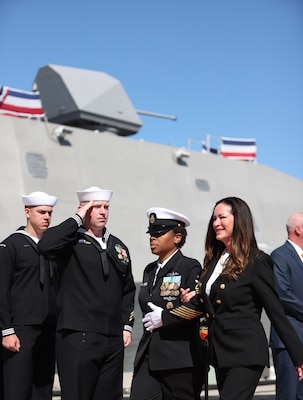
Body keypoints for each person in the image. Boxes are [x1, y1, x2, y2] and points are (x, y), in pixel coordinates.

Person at [144, 197, 303, 400]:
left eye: (222, 217)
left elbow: (276, 312)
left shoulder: (257, 261)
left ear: (239, 220)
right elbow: (210, 302)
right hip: (220, 353)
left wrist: (298, 357)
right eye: (214, 218)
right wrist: (195, 298)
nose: (216, 223)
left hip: (245, 353)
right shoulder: (214, 262)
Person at [37, 186, 136, 400]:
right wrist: (76, 219)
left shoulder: (118, 246)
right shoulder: (69, 242)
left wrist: (126, 325)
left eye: (106, 207)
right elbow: (45, 245)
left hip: (112, 338)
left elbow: (128, 289)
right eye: (96, 207)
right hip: (78, 335)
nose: (102, 212)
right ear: (84, 209)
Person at [130, 207, 205, 400]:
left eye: (159, 233)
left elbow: (197, 306)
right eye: (151, 234)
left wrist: (165, 317)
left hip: (178, 358)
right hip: (149, 354)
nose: (152, 238)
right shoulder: (149, 270)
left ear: (177, 237)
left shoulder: (189, 266)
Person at [0, 191, 58, 400]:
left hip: (48, 328)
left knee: (43, 390)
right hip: (20, 330)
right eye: (41, 212)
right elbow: (1, 289)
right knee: (17, 390)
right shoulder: (11, 245)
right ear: (27, 212)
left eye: (50, 213)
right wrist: (6, 330)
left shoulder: (53, 248)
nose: (47, 217)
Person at [269, 212, 303, 400]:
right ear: (298, 229)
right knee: (289, 394)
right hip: (288, 341)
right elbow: (283, 294)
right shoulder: (280, 256)